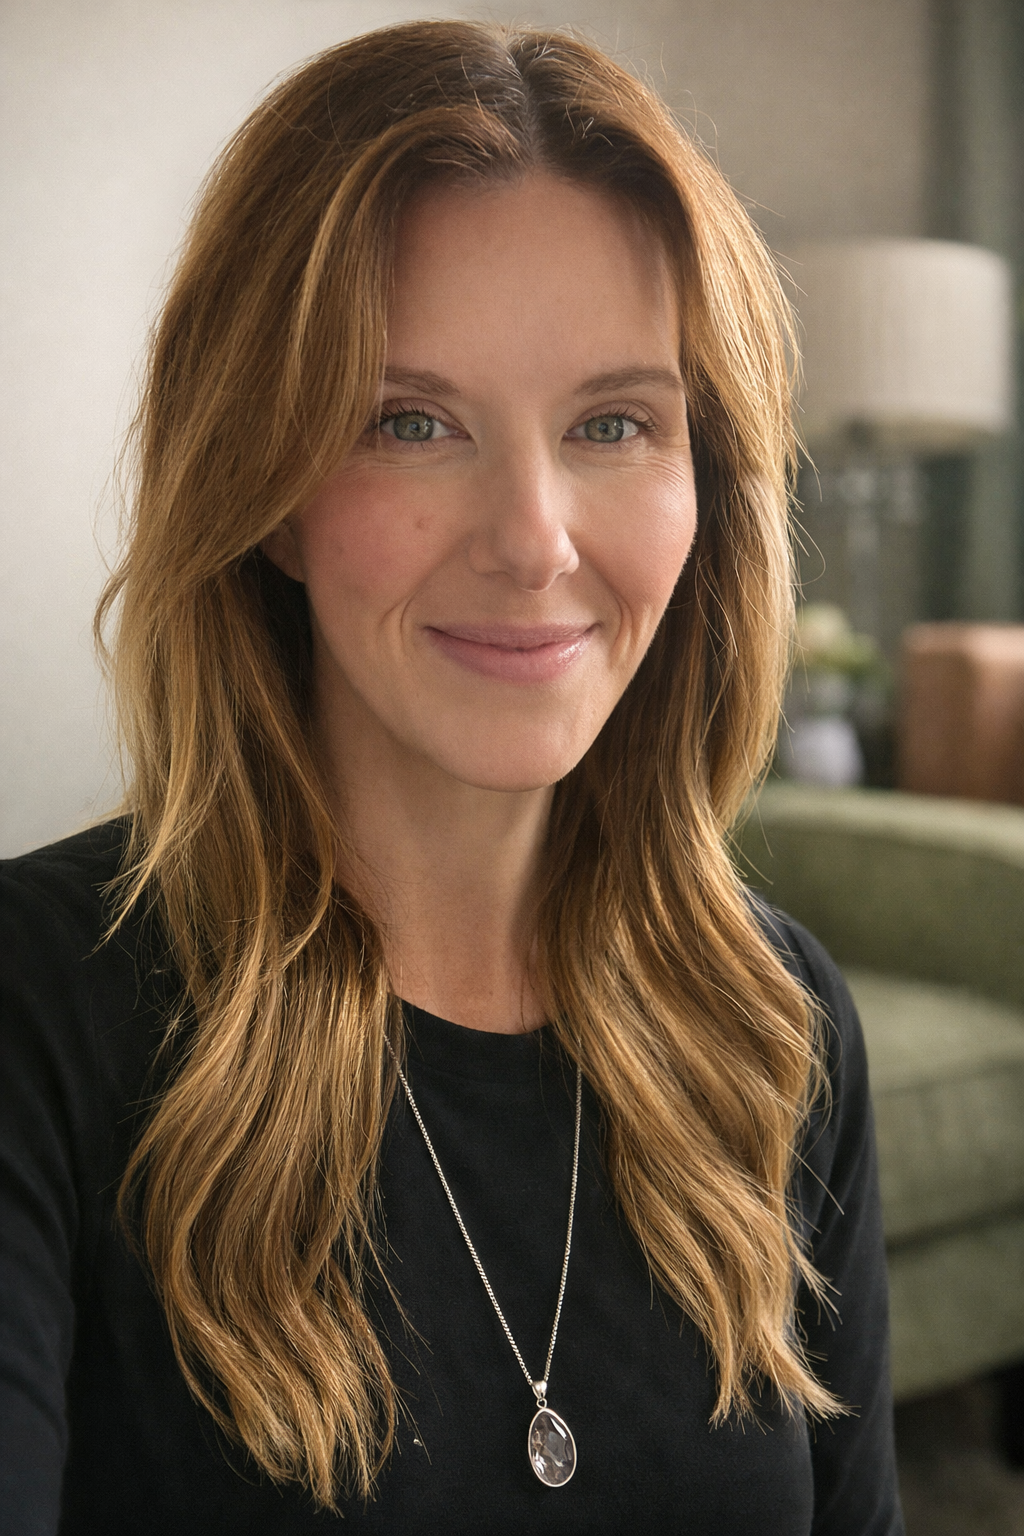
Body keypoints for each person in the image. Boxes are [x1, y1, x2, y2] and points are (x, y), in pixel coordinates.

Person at [0, 20, 903, 1535]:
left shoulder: (778, 1027)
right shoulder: (38, 1015)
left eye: (614, 423)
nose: (536, 539)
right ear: (268, 486)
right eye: (410, 424)